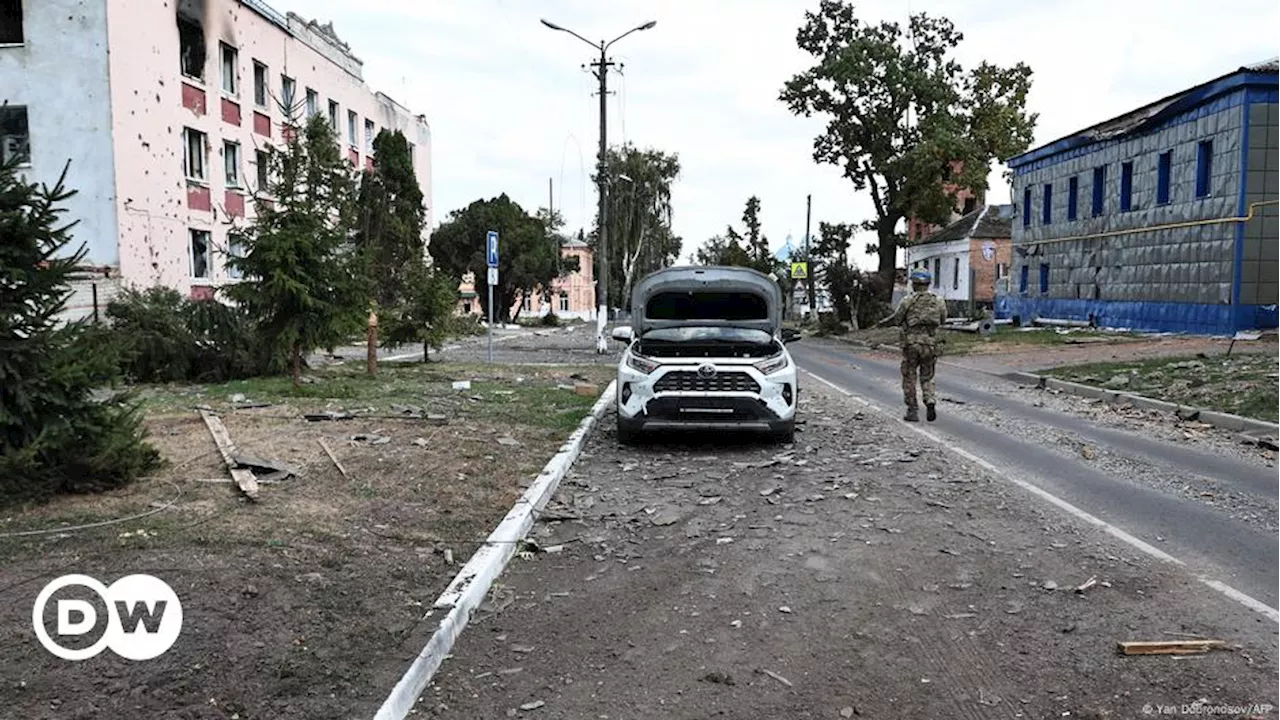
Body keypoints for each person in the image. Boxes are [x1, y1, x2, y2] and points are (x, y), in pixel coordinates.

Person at [875, 270, 948, 422]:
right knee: (927, 376)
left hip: (911, 345)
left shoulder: (908, 301)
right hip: (930, 344)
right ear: (928, 284)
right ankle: (930, 400)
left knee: (909, 376)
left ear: (914, 284)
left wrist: (881, 324)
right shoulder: (938, 301)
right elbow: (943, 319)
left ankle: (912, 410)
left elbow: (897, 318)